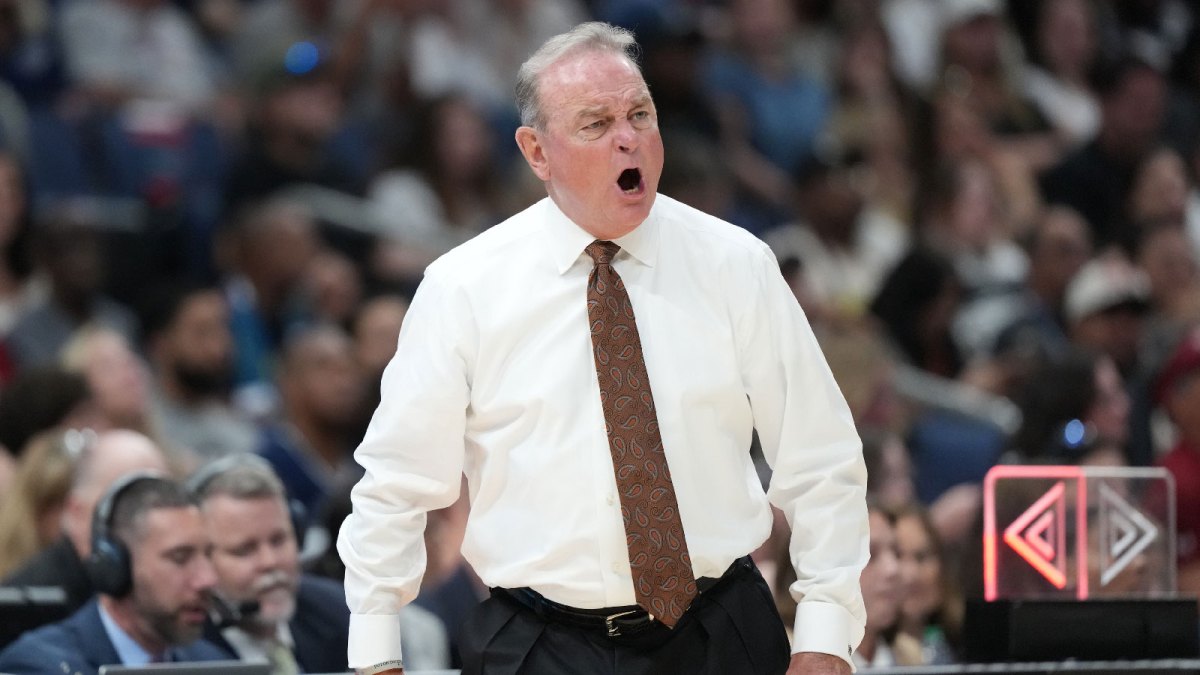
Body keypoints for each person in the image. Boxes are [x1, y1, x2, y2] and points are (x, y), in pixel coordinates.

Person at [338, 21, 868, 675]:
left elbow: (821, 456)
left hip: (721, 627)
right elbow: (395, 483)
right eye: (596, 123)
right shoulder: (464, 287)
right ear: (537, 151)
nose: (630, 138)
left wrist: (825, 627)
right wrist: (375, 651)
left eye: (639, 114)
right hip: (540, 639)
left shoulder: (737, 263)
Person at [189, 454, 451, 673]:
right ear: (200, 559)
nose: (270, 562)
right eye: (244, 550)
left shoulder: (338, 611)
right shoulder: (183, 643)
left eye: (279, 540)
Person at [0, 474, 227, 673]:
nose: (207, 579)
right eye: (180, 557)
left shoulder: (215, 664)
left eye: (208, 554)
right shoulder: (39, 666)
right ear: (115, 567)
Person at [2, 429, 171, 617]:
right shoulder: (28, 602)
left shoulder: (172, 585)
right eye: (129, 505)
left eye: (162, 502)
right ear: (76, 511)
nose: (150, 520)